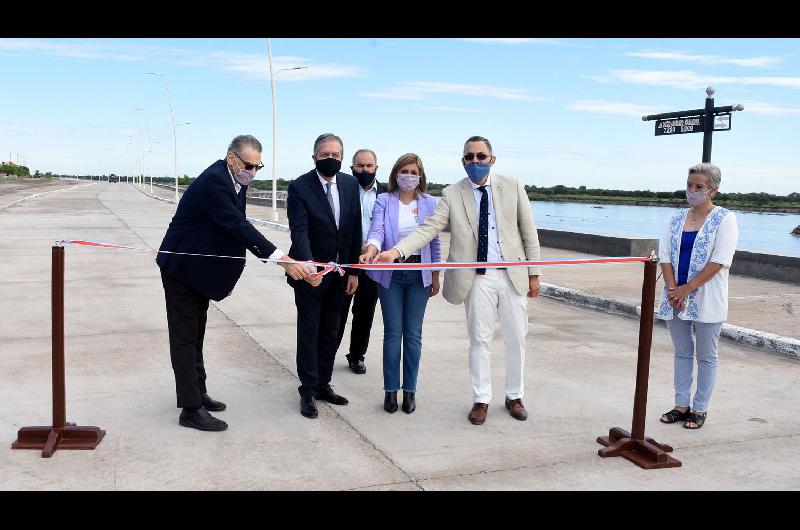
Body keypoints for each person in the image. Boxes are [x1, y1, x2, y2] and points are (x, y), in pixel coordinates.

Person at [373, 136, 542, 425]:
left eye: (481, 156)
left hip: (513, 275)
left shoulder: (513, 185)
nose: (475, 161)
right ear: (463, 161)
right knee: (479, 340)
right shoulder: (452, 194)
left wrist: (534, 274)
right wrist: (396, 252)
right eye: (470, 157)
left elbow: (529, 231)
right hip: (477, 279)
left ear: (492, 158)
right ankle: (481, 399)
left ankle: (514, 396)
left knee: (516, 339)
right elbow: (429, 229)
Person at [157, 134, 311, 431]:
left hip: (199, 271)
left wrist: (228, 278)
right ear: (231, 158)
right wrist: (283, 259)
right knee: (185, 338)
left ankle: (197, 393)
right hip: (181, 269)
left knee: (196, 334)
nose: (252, 172)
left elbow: (230, 235)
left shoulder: (234, 181)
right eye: (248, 165)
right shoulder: (214, 181)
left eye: (257, 167)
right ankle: (190, 409)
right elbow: (238, 227)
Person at [657, 163, 738, 430]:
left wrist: (687, 289)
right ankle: (681, 405)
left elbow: (719, 260)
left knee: (706, 356)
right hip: (674, 297)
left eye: (699, 187)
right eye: (689, 185)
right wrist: (673, 290)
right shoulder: (676, 219)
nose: (692, 191)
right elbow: (666, 256)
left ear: (712, 190)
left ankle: (700, 408)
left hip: (706, 298)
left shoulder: (724, 219)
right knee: (682, 352)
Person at [286, 133, 362, 419]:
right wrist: (308, 267)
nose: (330, 158)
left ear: (342, 156)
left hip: (340, 275)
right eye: (324, 154)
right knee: (309, 333)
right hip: (310, 275)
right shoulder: (299, 187)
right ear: (314, 156)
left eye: (335, 154)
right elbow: (300, 230)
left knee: (331, 331)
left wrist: (354, 270)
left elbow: (354, 230)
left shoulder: (350, 183)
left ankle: (322, 384)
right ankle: (307, 390)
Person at [360, 153, 441, 414]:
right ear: (396, 174)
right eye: (404, 171)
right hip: (390, 274)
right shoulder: (384, 200)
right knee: (393, 334)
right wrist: (372, 248)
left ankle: (410, 391)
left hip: (419, 274)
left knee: (414, 335)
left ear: (420, 176)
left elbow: (434, 241)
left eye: (413, 172)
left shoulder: (431, 203)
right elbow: (377, 231)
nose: (408, 176)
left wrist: (435, 275)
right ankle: (390, 391)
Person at [336, 149, 387, 374]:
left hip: (373, 263)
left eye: (369, 166)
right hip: (346, 260)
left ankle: (357, 355)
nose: (364, 170)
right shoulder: (343, 189)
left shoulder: (387, 193)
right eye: (360, 166)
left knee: (365, 313)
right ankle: (328, 353)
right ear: (352, 168)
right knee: (338, 312)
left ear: (376, 168)